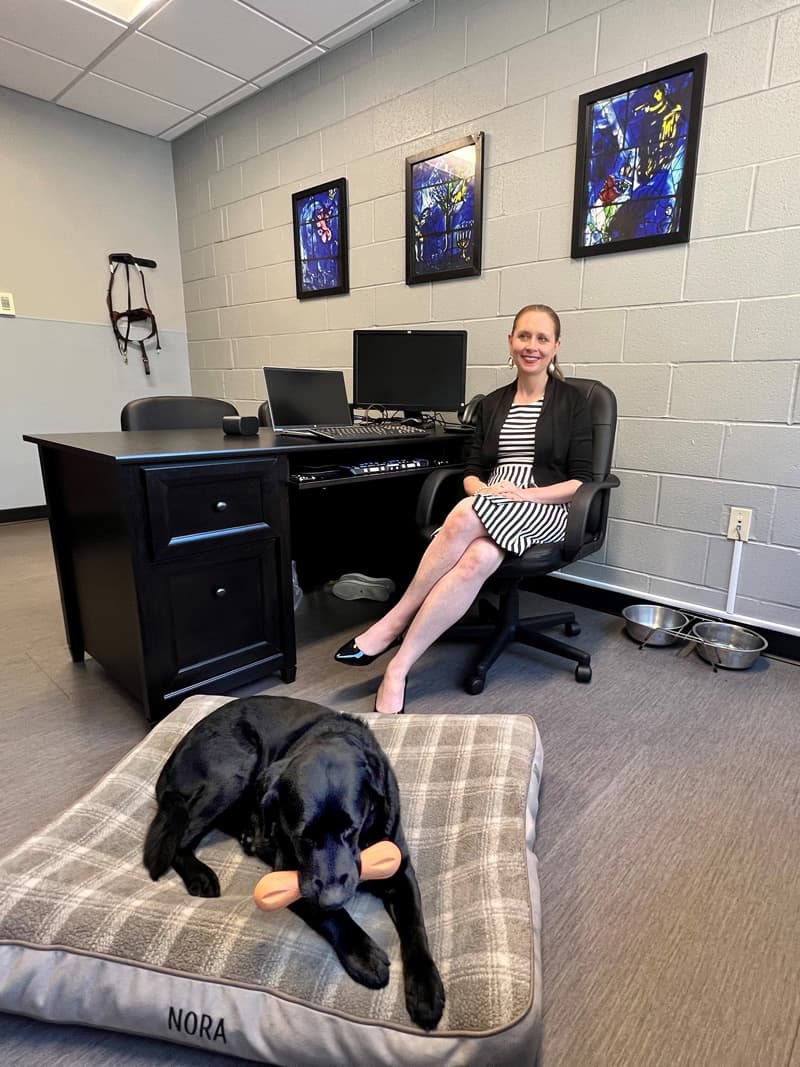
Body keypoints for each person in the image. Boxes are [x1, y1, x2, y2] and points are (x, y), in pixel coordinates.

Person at [333, 304, 593, 714]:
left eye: (542, 338)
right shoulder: (492, 403)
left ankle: (392, 622)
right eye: (524, 336)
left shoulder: (574, 403)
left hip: (545, 505)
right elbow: (472, 471)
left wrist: (524, 496)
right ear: (510, 342)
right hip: (493, 500)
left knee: (466, 513)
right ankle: (399, 668)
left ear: (556, 347)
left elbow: (580, 481)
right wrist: (483, 491)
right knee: (477, 557)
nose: (532, 346)